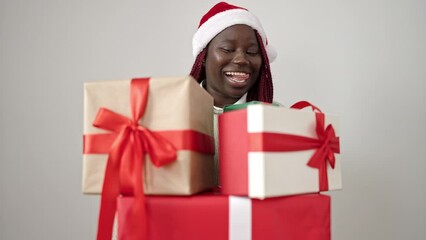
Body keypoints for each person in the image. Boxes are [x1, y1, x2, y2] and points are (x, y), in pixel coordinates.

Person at [189, 1, 277, 185]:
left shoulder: (275, 119)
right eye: (228, 49)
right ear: (203, 58)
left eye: (252, 52)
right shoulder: (175, 113)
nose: (241, 59)